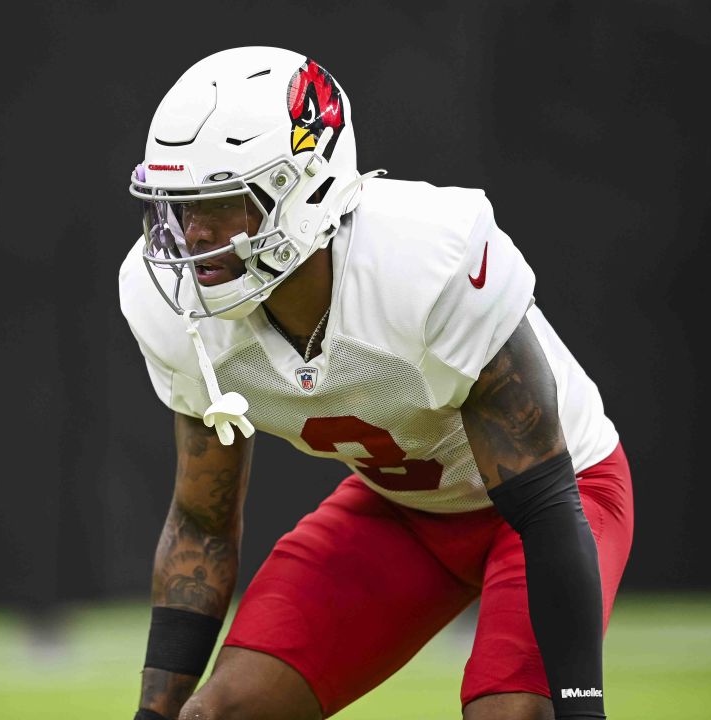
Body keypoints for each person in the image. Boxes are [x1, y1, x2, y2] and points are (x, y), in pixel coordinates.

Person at [119, 46, 633, 720]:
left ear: (301, 189)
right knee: (219, 716)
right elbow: (202, 525)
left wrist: (581, 707)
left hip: (559, 497)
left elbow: (543, 501)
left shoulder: (425, 263)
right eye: (179, 205)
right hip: (403, 511)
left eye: (216, 201)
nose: (191, 235)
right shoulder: (178, 309)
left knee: (512, 717)